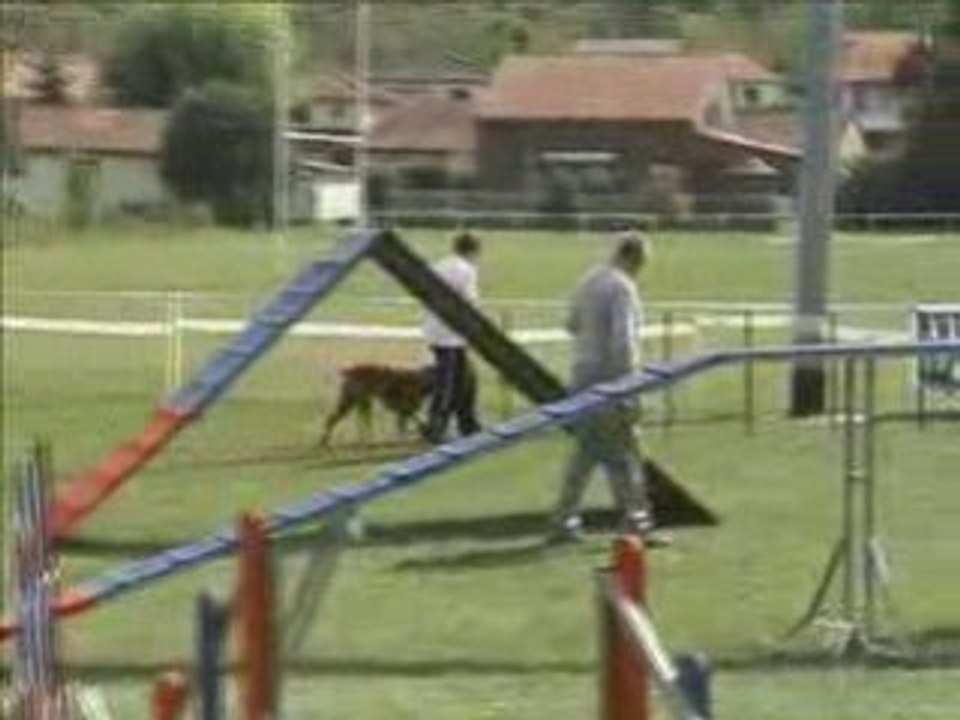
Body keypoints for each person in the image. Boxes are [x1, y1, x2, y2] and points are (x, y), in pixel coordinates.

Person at [549, 232, 661, 544]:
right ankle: (637, 524)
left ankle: (563, 518)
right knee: (626, 452)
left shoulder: (589, 280)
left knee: (586, 452)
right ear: (635, 259)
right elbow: (622, 342)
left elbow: (570, 324)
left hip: (581, 374)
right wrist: (630, 388)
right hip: (610, 377)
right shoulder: (622, 287)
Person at [422, 231, 483, 443]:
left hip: (434, 330)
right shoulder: (466, 270)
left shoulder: (438, 265)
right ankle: (437, 428)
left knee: (466, 379)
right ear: (473, 251)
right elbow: (470, 302)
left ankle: (467, 423)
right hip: (452, 335)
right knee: (448, 383)